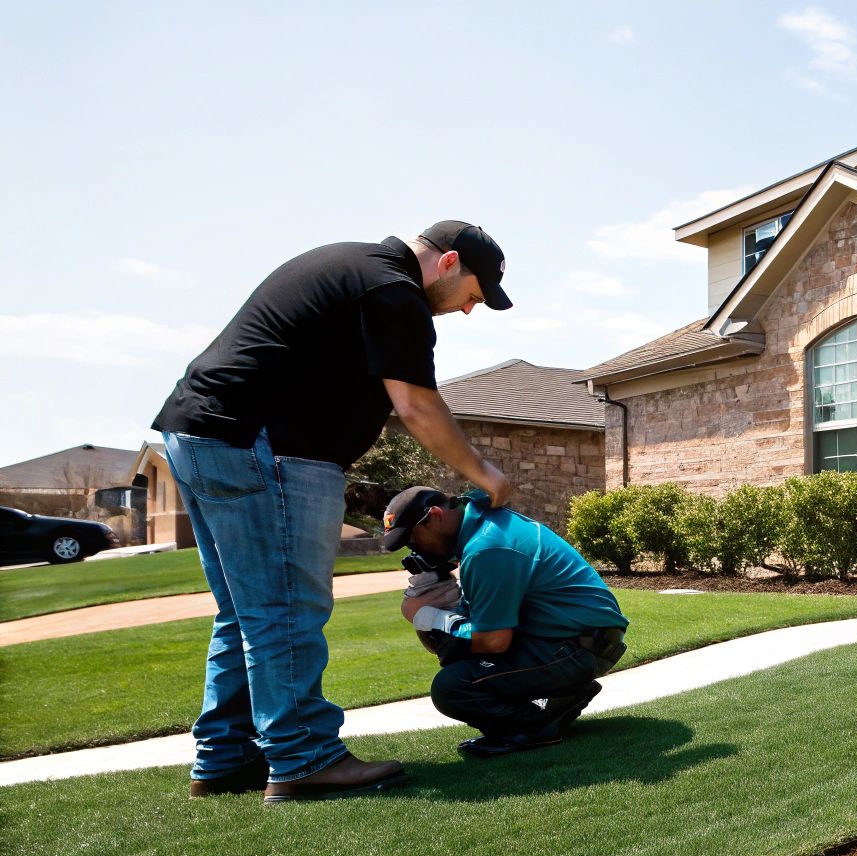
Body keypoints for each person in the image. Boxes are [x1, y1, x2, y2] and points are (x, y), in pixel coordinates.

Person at [152, 221, 519, 803]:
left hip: (203, 435)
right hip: (263, 449)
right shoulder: (392, 290)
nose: (471, 310)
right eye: (475, 294)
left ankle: (224, 758)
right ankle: (304, 758)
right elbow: (417, 405)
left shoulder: (353, 265)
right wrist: (487, 477)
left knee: (245, 614)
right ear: (449, 262)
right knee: (286, 611)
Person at [382, 486, 630, 756]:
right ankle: (560, 701)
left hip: (576, 646)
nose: (413, 548)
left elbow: (492, 642)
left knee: (452, 687)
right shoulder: (484, 528)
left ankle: (537, 725)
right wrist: (438, 605)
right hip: (580, 640)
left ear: (436, 515)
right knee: (459, 657)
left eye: (412, 538)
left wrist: (429, 616)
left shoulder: (486, 548)